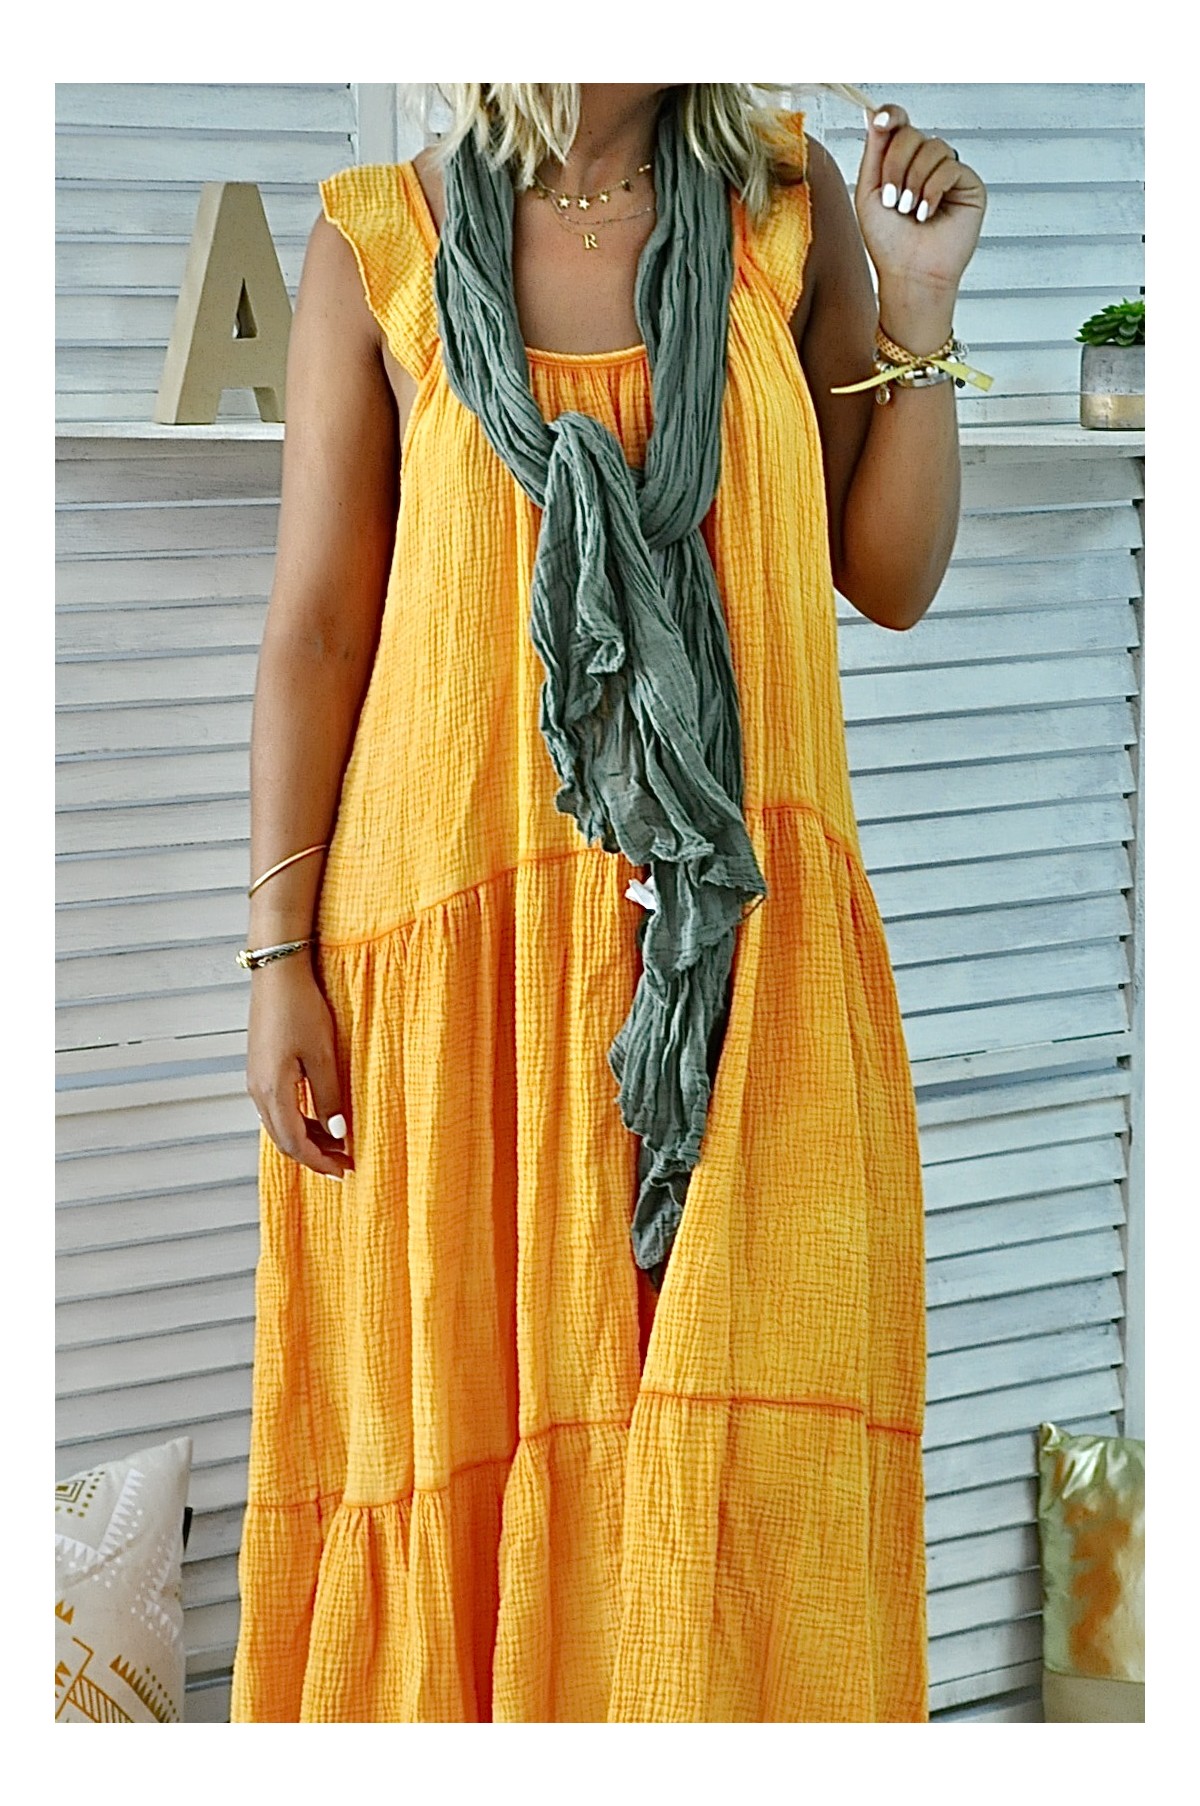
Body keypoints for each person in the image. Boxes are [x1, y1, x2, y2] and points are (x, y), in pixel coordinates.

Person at [230, 82, 987, 1724]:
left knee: (747, 1460)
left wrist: (919, 314)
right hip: (466, 986)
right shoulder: (380, 243)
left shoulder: (786, 206)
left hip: (743, 965)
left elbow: (890, 574)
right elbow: (318, 628)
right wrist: (277, 954)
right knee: (466, 1459)